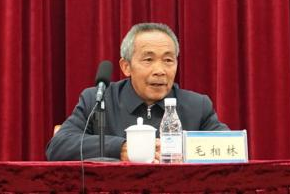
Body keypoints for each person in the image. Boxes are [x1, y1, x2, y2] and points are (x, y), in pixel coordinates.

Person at [46, 22, 228, 161]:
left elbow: (230, 148)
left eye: (168, 60)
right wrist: (121, 148)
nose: (160, 71)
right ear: (126, 66)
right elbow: (58, 146)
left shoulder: (197, 106)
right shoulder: (98, 100)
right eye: (148, 60)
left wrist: (183, 151)